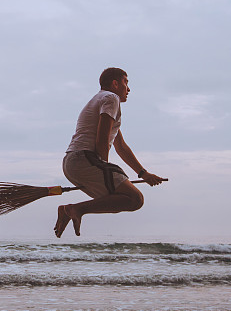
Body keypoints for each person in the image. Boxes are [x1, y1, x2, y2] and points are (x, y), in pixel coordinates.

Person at [55, 67, 165, 238]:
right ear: (115, 84)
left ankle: (71, 210)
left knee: (117, 201)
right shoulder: (111, 98)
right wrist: (104, 166)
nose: (128, 89)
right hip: (84, 159)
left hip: (73, 163)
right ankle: (75, 209)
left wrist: (143, 173)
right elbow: (102, 139)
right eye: (125, 82)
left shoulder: (101, 100)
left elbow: (120, 146)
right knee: (135, 199)